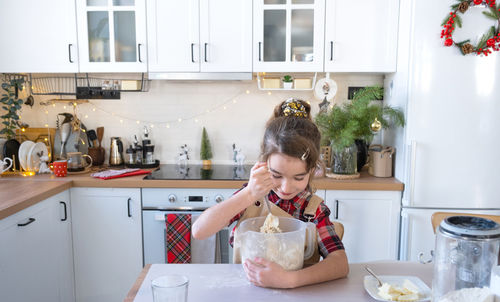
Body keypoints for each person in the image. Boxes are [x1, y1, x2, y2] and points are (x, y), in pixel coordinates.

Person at [192, 98, 348, 288]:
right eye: (276, 175)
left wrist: (290, 280)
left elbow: (340, 264)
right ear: (263, 164)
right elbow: (200, 231)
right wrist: (249, 194)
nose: (286, 188)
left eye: (298, 178)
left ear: (312, 170)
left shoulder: (313, 210)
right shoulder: (251, 199)